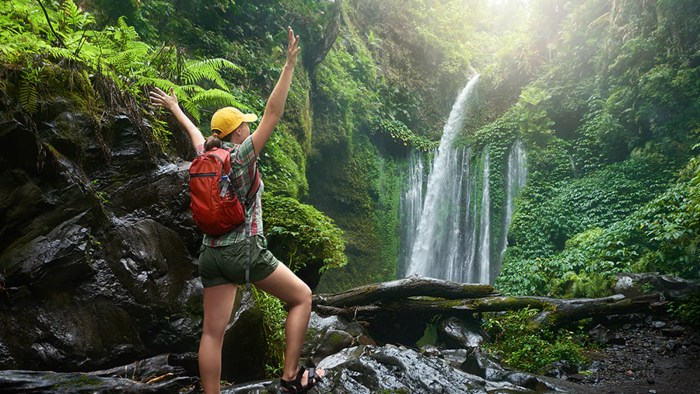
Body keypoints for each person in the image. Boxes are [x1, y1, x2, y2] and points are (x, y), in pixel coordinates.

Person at [149, 27, 324, 394]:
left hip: (210, 254)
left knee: (212, 332)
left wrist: (175, 108)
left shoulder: (206, 156)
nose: (250, 125)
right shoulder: (242, 158)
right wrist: (289, 65)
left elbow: (195, 134)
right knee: (302, 296)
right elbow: (273, 113)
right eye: (245, 123)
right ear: (238, 133)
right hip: (244, 250)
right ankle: (290, 376)